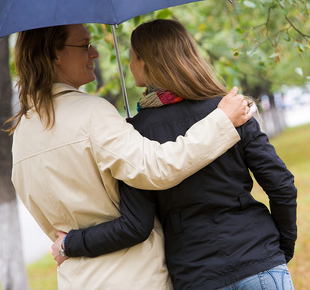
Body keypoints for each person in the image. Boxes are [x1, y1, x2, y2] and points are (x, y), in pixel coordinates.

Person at [52, 19, 297, 290]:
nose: (130, 65)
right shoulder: (229, 109)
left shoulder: (135, 135)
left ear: (145, 63)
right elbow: (282, 185)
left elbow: (135, 225)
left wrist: (70, 243)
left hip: (197, 275)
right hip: (259, 259)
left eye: (132, 57)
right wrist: (280, 250)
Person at [8, 23, 252, 290]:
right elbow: (156, 168)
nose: (95, 53)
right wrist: (222, 122)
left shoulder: (22, 132)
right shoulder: (92, 114)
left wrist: (69, 244)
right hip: (134, 277)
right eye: (84, 45)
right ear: (55, 53)